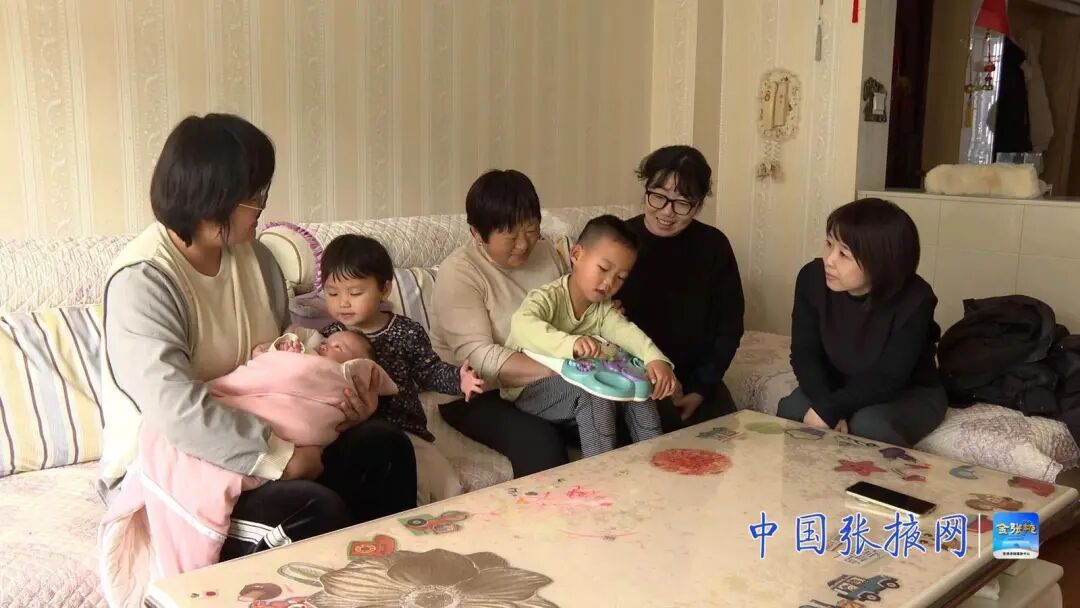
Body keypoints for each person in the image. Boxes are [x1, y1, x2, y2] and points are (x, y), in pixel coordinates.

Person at [97, 114, 417, 562]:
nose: (263, 206)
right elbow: (176, 412)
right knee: (311, 511)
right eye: (254, 195)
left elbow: (289, 359)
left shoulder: (258, 258)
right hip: (176, 462)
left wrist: (344, 404)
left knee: (386, 447)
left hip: (270, 430)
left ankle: (387, 581)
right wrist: (279, 458)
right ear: (214, 197)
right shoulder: (144, 280)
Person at [317, 233, 485, 503]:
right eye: (332, 293)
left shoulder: (407, 331)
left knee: (444, 487)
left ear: (384, 289)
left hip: (404, 428)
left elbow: (429, 371)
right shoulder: (329, 336)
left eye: (355, 293)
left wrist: (460, 379)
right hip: (348, 432)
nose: (343, 302)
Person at [429, 169, 571, 475]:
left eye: (530, 229)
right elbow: (478, 355)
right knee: (540, 442)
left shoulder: (547, 252)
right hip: (475, 392)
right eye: (510, 234)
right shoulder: (460, 272)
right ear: (477, 233)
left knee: (624, 410)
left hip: (542, 378)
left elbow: (567, 312)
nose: (523, 243)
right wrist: (560, 371)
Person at [777, 197, 947, 447]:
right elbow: (805, 354)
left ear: (881, 261)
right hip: (837, 384)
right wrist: (827, 406)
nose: (829, 260)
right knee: (793, 408)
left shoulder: (916, 298)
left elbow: (889, 378)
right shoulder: (811, 278)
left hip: (907, 392)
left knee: (869, 425)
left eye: (844, 254)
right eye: (829, 244)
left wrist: (832, 408)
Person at [504, 215, 676, 456]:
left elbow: (626, 332)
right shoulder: (547, 298)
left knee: (640, 388)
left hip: (579, 379)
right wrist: (571, 344)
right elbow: (523, 325)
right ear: (576, 255)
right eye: (603, 269)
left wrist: (654, 358)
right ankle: (599, 469)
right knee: (594, 395)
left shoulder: (603, 309)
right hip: (530, 388)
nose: (609, 283)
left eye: (620, 278)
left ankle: (656, 461)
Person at [618, 145, 745, 432]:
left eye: (682, 203)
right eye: (658, 196)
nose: (667, 211)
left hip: (697, 377)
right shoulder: (618, 240)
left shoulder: (714, 246)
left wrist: (701, 389)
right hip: (634, 377)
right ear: (646, 189)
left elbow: (729, 328)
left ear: (698, 206)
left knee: (727, 441)